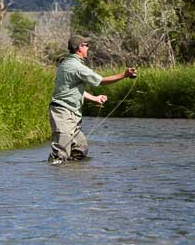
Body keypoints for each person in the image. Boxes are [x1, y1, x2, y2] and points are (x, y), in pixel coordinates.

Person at [47, 34, 136, 164]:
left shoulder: (67, 63)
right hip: (63, 114)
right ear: (79, 48)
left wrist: (95, 98)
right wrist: (125, 74)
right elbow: (101, 81)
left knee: (80, 149)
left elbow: (73, 90)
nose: (88, 48)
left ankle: (70, 179)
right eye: (86, 45)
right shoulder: (76, 67)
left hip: (71, 115)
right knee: (60, 154)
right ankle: (57, 179)